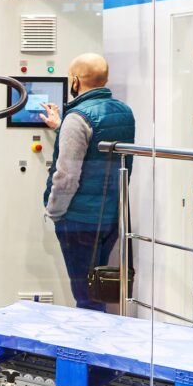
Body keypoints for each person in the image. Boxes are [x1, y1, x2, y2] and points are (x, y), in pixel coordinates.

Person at [41, 53, 135, 311]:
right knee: (97, 290)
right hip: (111, 217)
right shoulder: (124, 113)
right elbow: (99, 152)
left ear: (75, 80)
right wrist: (61, 127)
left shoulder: (78, 118)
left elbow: (66, 177)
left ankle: (88, 349)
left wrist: (54, 211)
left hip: (79, 221)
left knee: (85, 296)